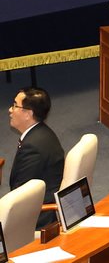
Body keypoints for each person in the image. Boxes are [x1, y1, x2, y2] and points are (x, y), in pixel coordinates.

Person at [9, 87, 65, 225]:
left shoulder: (33, 147)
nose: (10, 110)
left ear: (28, 114)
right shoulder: (43, 133)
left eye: (15, 105)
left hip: (39, 219)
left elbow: (21, 194)